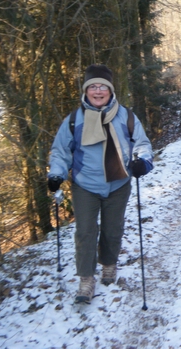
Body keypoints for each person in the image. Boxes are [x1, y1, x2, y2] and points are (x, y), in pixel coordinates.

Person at [47, 64, 153, 304]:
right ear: (85, 91)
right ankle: (86, 279)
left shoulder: (126, 116)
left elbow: (142, 143)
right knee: (85, 232)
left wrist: (143, 162)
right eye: (92, 86)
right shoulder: (74, 120)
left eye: (102, 86)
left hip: (119, 183)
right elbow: (61, 151)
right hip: (86, 185)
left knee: (112, 229)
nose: (97, 91)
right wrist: (56, 174)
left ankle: (109, 265)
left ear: (110, 90)